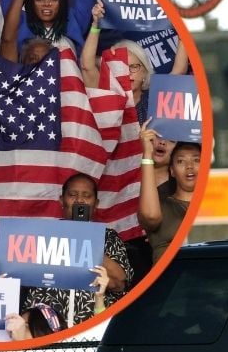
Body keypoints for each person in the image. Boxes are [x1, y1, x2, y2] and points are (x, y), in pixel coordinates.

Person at [20, 174, 135, 328]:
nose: (79, 200)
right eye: (73, 195)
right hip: (45, 327)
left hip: (92, 326)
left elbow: (120, 282)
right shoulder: (44, 234)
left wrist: (84, 240)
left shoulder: (109, 237)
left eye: (86, 196)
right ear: (62, 200)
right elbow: (21, 274)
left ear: (96, 203)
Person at [139, 131, 200, 263]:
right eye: (181, 161)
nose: (189, 166)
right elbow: (150, 216)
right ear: (172, 170)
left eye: (196, 160)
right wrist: (147, 155)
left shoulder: (215, 210)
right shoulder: (163, 207)